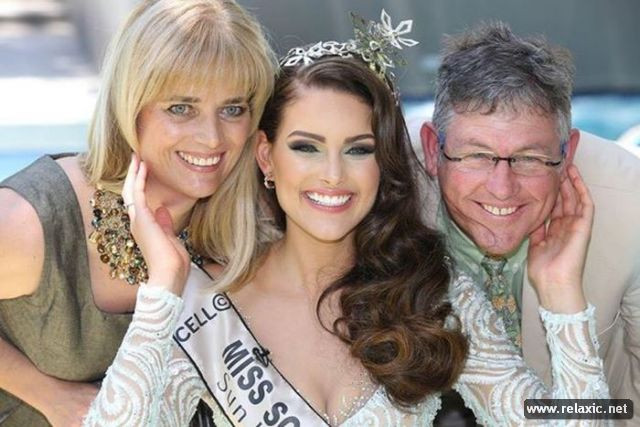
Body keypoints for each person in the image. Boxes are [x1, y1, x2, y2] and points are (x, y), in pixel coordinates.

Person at [83, 11, 609, 426]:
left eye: (358, 149)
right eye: (306, 147)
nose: (333, 175)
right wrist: (162, 291)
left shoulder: (431, 290)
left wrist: (562, 294)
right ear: (266, 157)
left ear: (383, 162)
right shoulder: (203, 304)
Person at [0, 0, 275, 425]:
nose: (211, 137)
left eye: (232, 109)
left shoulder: (255, 227)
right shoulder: (35, 221)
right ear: (131, 105)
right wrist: (49, 395)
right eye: (181, 108)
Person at [420, 21, 640, 424]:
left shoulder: (631, 206)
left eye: (529, 158)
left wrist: (561, 288)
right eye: (476, 155)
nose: (502, 189)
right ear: (434, 149)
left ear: (567, 154)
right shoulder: (375, 198)